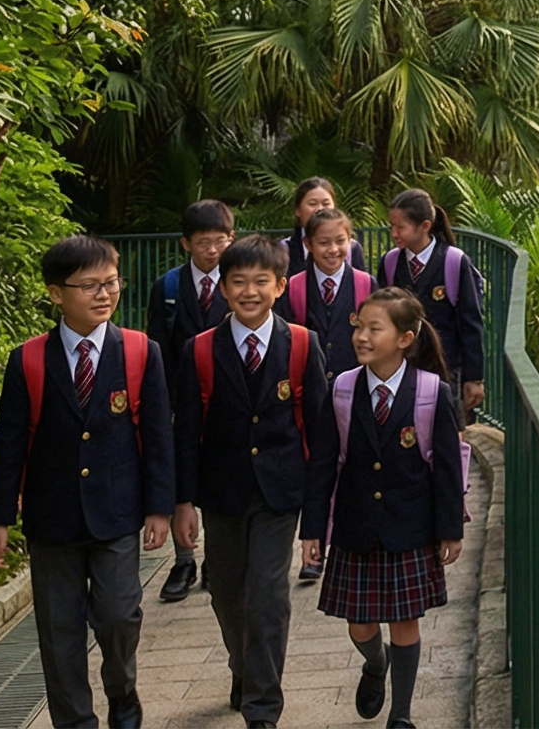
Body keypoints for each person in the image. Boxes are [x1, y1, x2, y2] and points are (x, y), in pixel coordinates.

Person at [0, 235, 174, 729]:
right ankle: (74, 721)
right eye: (89, 285)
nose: (103, 294)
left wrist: (160, 507)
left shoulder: (139, 351)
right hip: (52, 518)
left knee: (117, 616)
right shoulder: (27, 359)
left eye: (110, 282)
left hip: (117, 513)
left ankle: (124, 700)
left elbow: (156, 437)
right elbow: (8, 444)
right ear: (55, 293)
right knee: (59, 629)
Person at [175, 237, 336, 729]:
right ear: (222, 288)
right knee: (226, 592)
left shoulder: (303, 344)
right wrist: (182, 501)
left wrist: (317, 517)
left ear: (280, 285)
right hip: (221, 493)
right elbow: (185, 433)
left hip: (280, 493)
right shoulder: (199, 350)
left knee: (268, 595)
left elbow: (320, 432)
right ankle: (243, 668)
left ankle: (262, 707)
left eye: (260, 282)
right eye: (238, 282)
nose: (249, 292)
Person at [312, 287, 467, 729]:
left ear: (405, 338)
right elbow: (323, 465)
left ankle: (401, 715)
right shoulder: (341, 389)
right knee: (360, 625)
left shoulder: (431, 392)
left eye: (373, 328)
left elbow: (447, 469)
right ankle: (374, 662)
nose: (361, 336)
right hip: (355, 528)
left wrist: (449, 529)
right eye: (358, 326)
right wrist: (312, 532)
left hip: (411, 527)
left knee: (405, 623)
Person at [146, 198, 234, 602]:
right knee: (181, 474)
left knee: (218, 476)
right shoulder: (167, 287)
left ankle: (216, 559)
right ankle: (183, 560)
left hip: (227, 399)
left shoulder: (240, 284)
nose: (212, 250)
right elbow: (158, 348)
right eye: (203, 242)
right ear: (186, 244)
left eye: (219, 241)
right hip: (181, 400)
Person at [280, 206, 370, 583]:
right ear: (307, 245)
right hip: (311, 395)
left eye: (340, 241)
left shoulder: (366, 283)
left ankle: (354, 539)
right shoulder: (295, 287)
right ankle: (312, 548)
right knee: (316, 468)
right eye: (323, 243)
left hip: (356, 391)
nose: (333, 250)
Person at [379, 190, 486, 416]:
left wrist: (474, 378)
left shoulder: (454, 261)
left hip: (446, 368)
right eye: (392, 226)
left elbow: (470, 322)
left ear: (425, 226)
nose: (394, 233)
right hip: (403, 365)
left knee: (446, 427)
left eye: (401, 227)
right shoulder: (390, 262)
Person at [282, 176, 364, 275]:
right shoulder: (284, 249)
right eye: (312, 204)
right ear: (298, 210)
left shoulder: (352, 248)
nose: (320, 209)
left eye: (326, 203)